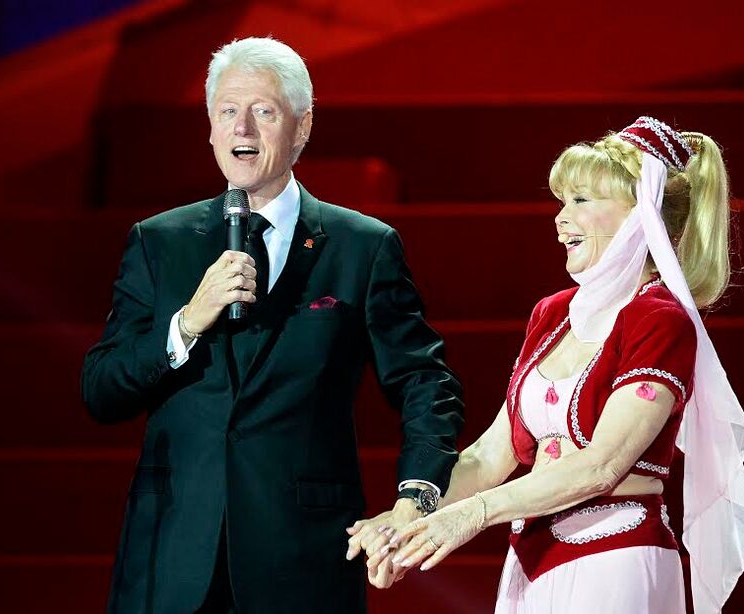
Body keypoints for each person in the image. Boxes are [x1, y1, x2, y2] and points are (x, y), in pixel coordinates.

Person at [81, 36, 463, 613]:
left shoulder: (362, 247)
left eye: (263, 112)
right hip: (170, 560)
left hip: (301, 561)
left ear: (303, 126)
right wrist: (187, 324)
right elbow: (102, 389)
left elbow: (424, 382)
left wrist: (417, 494)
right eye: (228, 112)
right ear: (209, 127)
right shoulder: (158, 243)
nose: (243, 130)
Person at [362, 117, 744, 613]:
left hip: (616, 561)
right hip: (529, 563)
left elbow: (601, 466)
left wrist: (473, 514)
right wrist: (408, 519)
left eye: (581, 201)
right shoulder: (552, 313)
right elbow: (490, 456)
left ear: (641, 213)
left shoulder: (659, 320)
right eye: (561, 202)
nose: (559, 218)